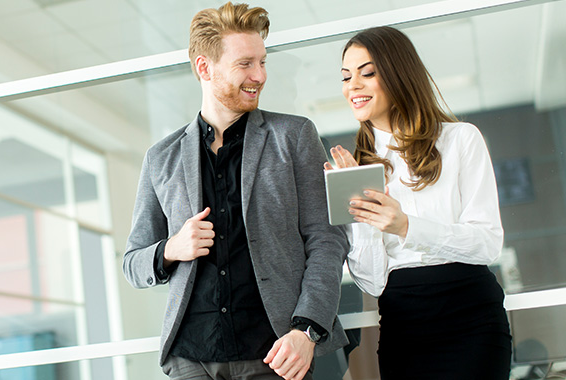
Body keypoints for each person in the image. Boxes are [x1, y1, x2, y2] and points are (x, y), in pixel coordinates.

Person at [123, 2, 349, 380]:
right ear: (204, 67)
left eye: (262, 62)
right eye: (245, 63)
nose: (259, 75)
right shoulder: (161, 158)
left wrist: (307, 330)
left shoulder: (293, 137)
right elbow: (132, 262)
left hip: (275, 354)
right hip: (191, 359)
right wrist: (171, 249)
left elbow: (327, 240)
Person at [326, 26, 512, 379]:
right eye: (346, 77)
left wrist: (406, 226)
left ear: (398, 73)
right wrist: (365, 215)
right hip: (403, 323)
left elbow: (488, 244)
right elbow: (372, 282)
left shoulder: (460, 140)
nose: (353, 86)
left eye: (367, 73)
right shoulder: (358, 167)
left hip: (471, 316)